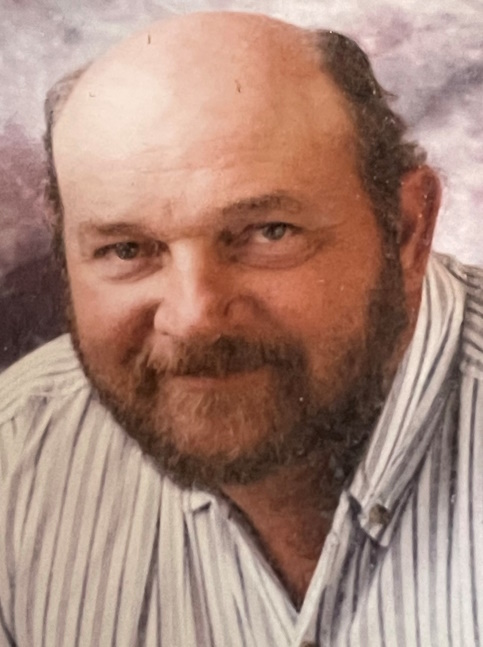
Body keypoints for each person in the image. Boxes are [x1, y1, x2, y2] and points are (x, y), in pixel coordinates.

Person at [0, 11, 482, 647]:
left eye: (268, 233)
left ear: (406, 230)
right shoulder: (17, 456)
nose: (194, 317)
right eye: (126, 249)